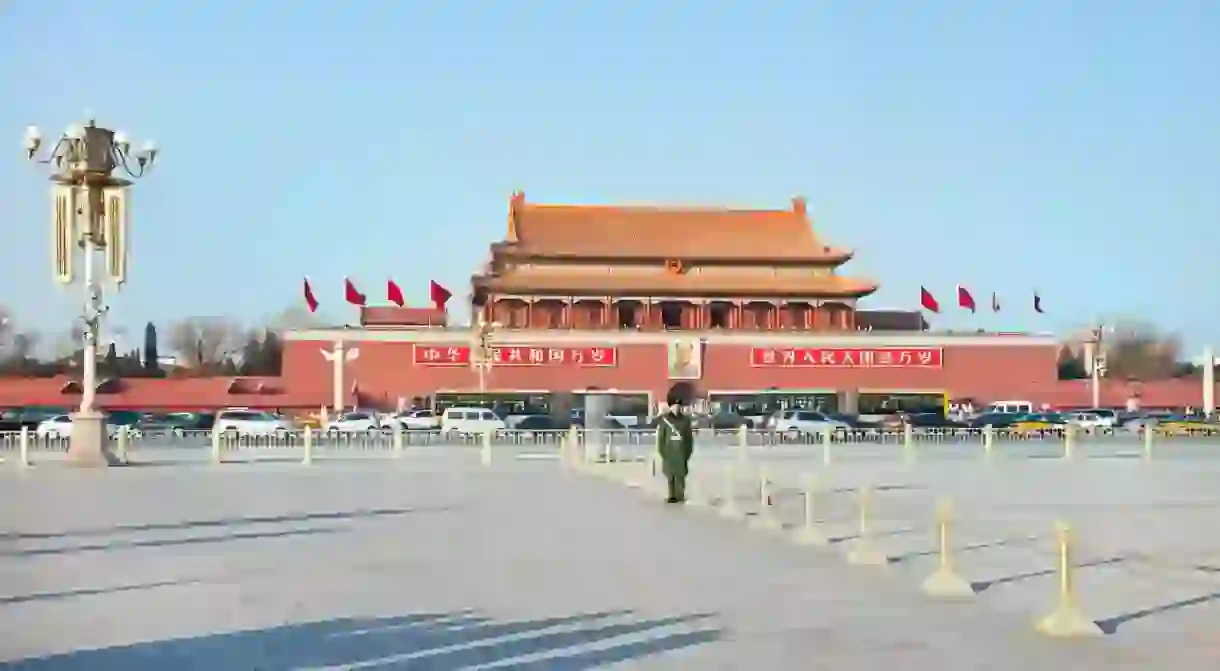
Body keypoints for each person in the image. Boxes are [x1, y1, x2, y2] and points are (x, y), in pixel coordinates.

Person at [655, 390, 695, 504]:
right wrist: (663, 453)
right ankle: (671, 495)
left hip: (681, 453)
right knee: (670, 476)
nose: (677, 408)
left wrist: (687, 453)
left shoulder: (686, 421)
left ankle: (680, 495)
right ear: (670, 406)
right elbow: (661, 439)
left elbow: (688, 438)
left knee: (680, 476)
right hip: (669, 452)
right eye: (674, 406)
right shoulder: (665, 420)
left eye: (678, 406)